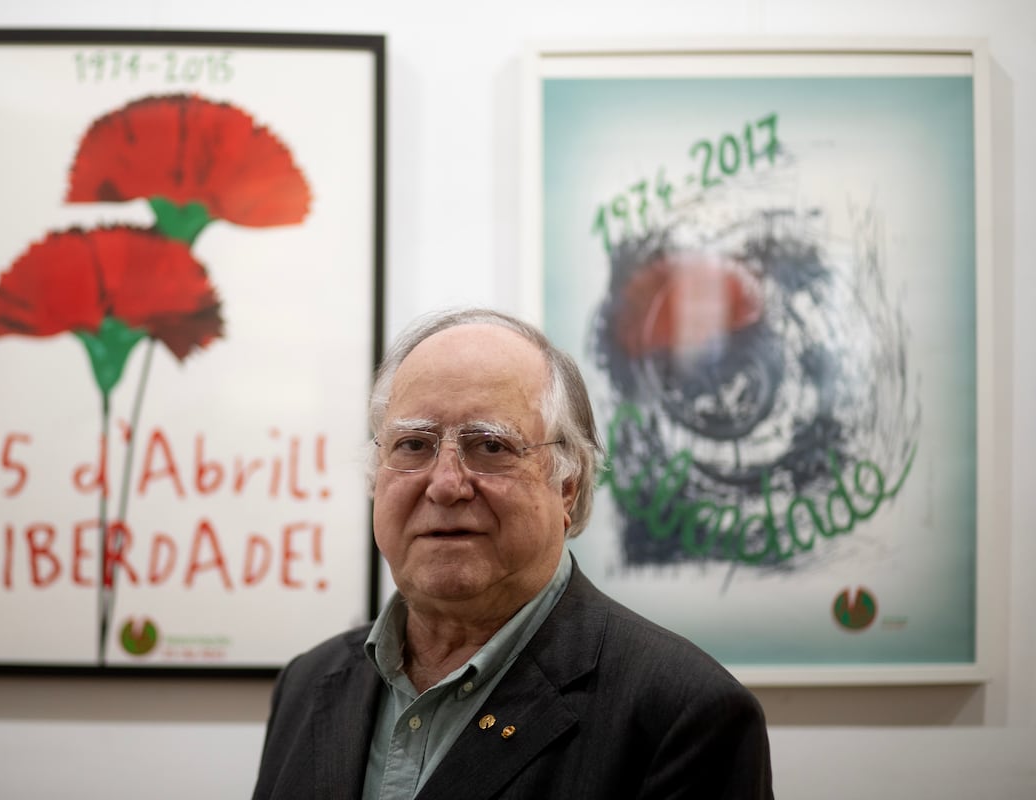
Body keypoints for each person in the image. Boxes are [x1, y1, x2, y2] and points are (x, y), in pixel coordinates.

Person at [252, 308, 773, 799]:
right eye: (413, 444)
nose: (445, 485)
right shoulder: (307, 684)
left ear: (567, 485)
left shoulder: (685, 715)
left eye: (491, 445)